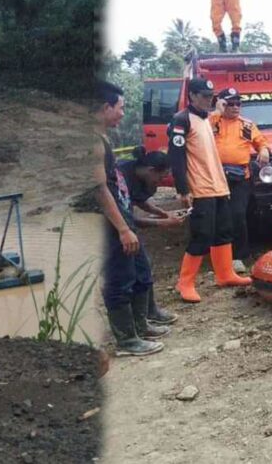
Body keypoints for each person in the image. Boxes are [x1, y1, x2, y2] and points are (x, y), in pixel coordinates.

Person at [94, 80, 168, 357]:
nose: (123, 113)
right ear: (106, 107)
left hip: (122, 219)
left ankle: (140, 326)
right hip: (112, 225)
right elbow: (100, 190)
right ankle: (127, 341)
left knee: (138, 269)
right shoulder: (93, 143)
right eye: (121, 107)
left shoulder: (102, 138)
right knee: (118, 278)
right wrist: (123, 229)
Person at [168, 78, 251, 303]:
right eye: (205, 96)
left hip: (219, 186)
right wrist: (183, 189)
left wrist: (218, 107)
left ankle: (225, 275)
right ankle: (185, 283)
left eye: (211, 97)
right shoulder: (182, 120)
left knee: (224, 231)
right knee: (201, 236)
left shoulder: (207, 118)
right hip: (200, 189)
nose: (209, 100)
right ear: (192, 96)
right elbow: (176, 158)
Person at [117, 147, 183, 325]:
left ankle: (149, 313)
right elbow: (129, 218)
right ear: (151, 170)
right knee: (128, 276)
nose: (160, 182)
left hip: (126, 228)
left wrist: (163, 213)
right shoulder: (120, 177)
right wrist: (162, 223)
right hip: (116, 230)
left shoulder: (138, 175)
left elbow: (138, 200)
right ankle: (135, 324)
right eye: (160, 178)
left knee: (143, 268)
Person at [209, 87, 270, 273]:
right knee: (217, 217)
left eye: (238, 103)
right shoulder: (211, 121)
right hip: (214, 177)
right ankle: (219, 257)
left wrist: (264, 150)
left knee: (237, 216)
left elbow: (262, 141)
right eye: (230, 103)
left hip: (239, 178)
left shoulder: (247, 125)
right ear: (221, 103)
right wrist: (217, 111)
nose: (235, 107)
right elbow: (198, 130)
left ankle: (239, 256)